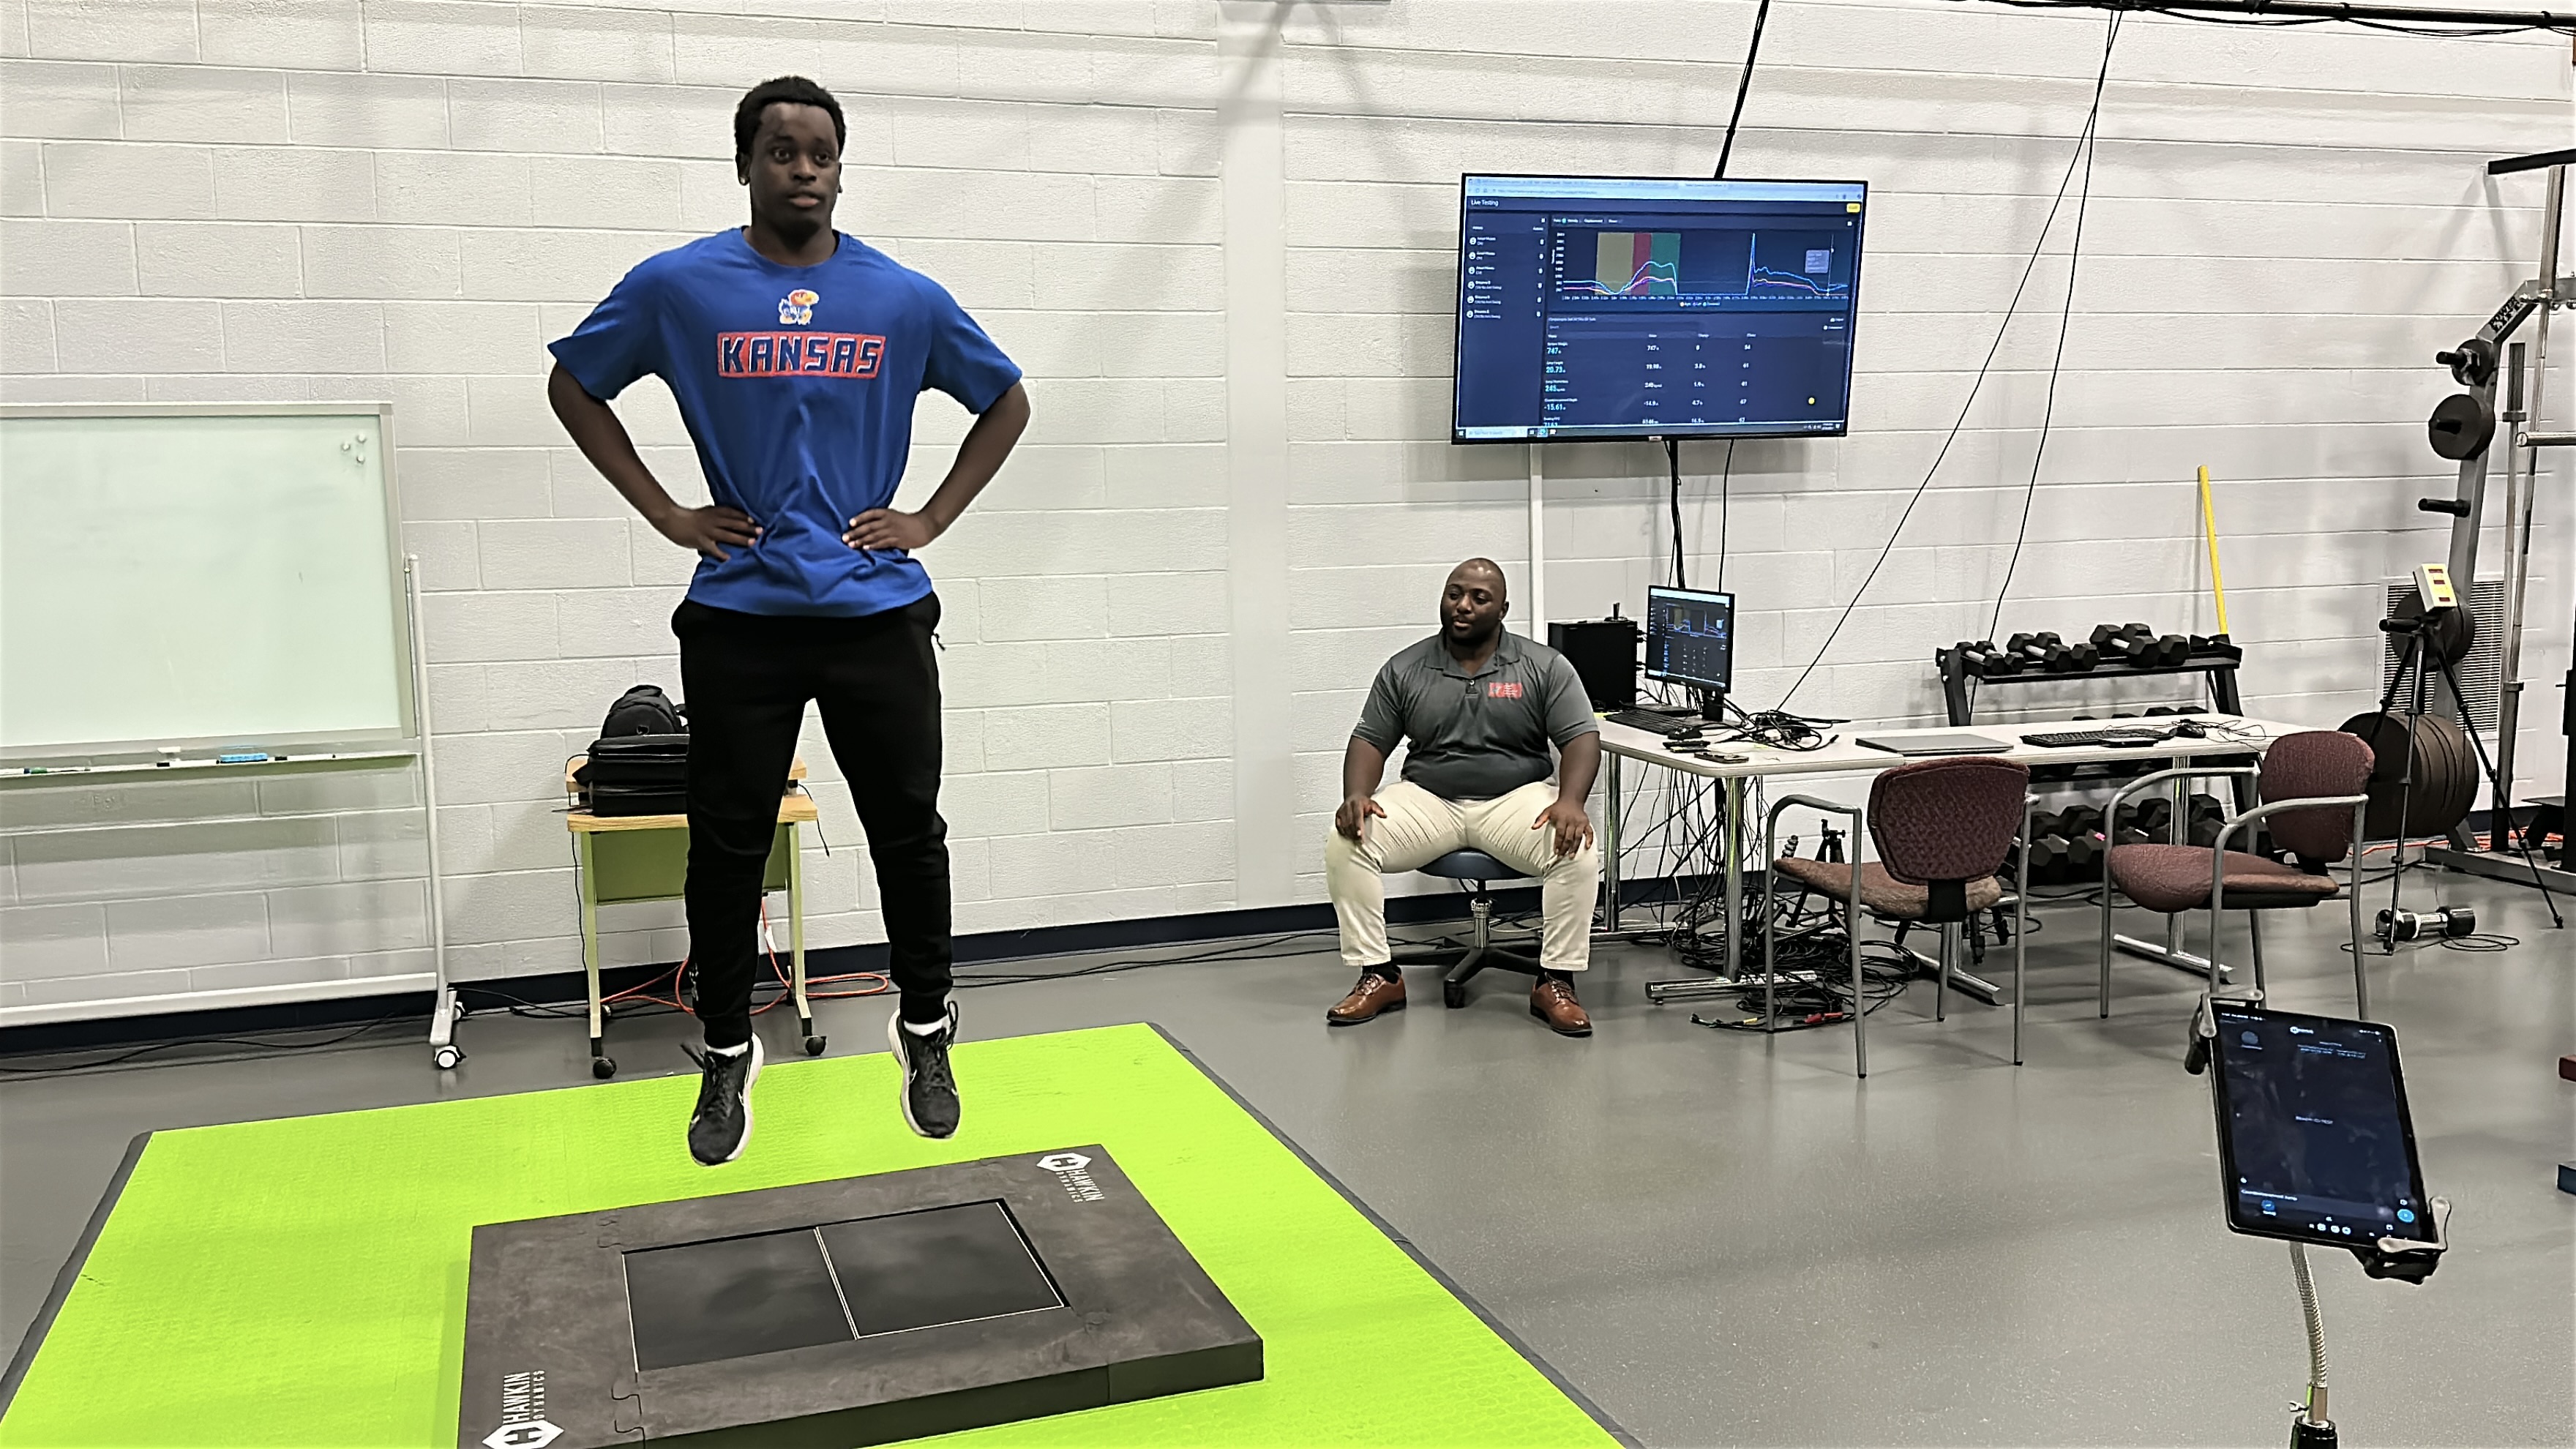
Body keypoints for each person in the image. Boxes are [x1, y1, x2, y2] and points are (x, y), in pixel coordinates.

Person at [546, 75, 1029, 1167]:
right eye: (780, 151)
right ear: (746, 165)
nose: (802, 169)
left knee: (909, 833)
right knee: (725, 843)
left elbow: (1005, 398)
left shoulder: (901, 297)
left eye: (820, 152)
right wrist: (667, 511)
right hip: (741, 617)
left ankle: (926, 1030)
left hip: (878, 615)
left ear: (841, 168)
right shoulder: (681, 287)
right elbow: (578, 385)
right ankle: (725, 1049)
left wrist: (931, 517)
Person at [1325, 559, 1603, 1036]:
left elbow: (1581, 738)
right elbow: (1370, 740)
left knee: (1577, 848)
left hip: (1515, 800)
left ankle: (1555, 980)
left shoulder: (1543, 666)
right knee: (1349, 840)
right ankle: (1380, 974)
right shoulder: (1406, 668)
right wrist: (1357, 794)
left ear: (1503, 609)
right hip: (1430, 799)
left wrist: (1571, 801)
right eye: (1455, 594)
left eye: (1479, 598)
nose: (1463, 606)